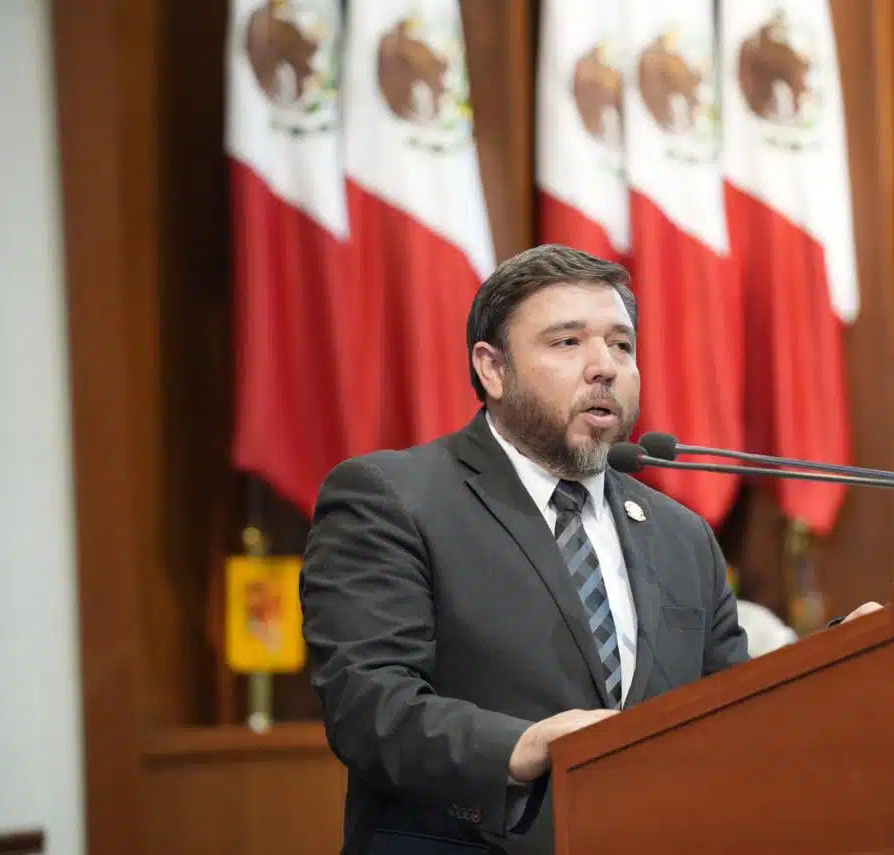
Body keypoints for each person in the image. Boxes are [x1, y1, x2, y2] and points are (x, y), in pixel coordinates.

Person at [300, 244, 751, 855]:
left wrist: (837, 661)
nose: (605, 368)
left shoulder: (681, 534)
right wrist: (524, 746)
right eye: (568, 343)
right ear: (493, 369)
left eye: (621, 345)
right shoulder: (394, 499)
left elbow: (737, 713)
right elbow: (369, 703)